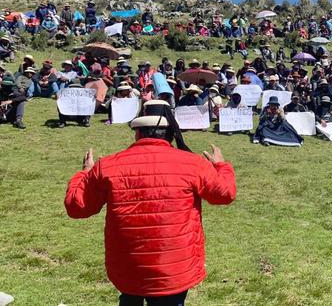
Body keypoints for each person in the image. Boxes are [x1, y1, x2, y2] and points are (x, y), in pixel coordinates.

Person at [64, 100, 236, 305]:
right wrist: (221, 166)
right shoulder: (194, 163)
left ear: (137, 133)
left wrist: (85, 173)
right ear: (171, 133)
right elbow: (224, 194)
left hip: (128, 267)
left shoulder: (107, 166)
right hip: (174, 269)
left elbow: (77, 206)